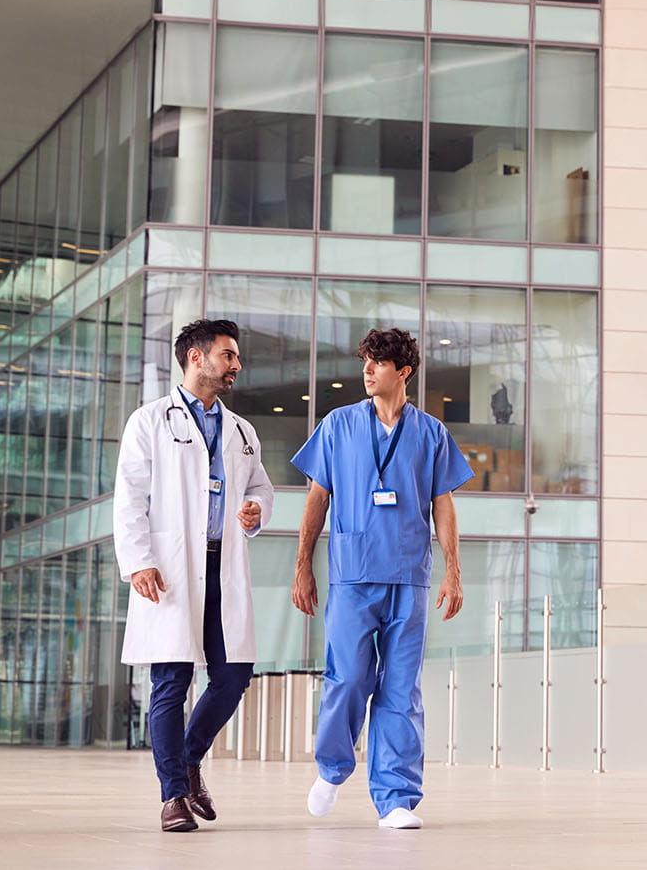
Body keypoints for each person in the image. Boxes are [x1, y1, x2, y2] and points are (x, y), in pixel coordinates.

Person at [291, 327, 473, 830]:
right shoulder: (338, 425)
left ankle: (395, 797)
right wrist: (303, 565)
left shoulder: (431, 433)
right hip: (352, 575)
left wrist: (453, 572)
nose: (367, 371)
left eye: (377, 363)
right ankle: (331, 768)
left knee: (400, 689)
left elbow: (443, 505)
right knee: (348, 677)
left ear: (404, 372)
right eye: (365, 362)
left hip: (409, 577)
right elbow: (316, 499)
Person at [114, 318, 274, 833]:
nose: (236, 365)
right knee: (171, 680)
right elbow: (129, 498)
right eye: (228, 355)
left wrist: (254, 510)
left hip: (221, 564)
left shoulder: (242, 431)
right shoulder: (149, 420)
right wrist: (138, 560)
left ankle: (187, 758)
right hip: (169, 568)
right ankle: (173, 796)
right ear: (196, 358)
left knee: (233, 675)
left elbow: (261, 491)